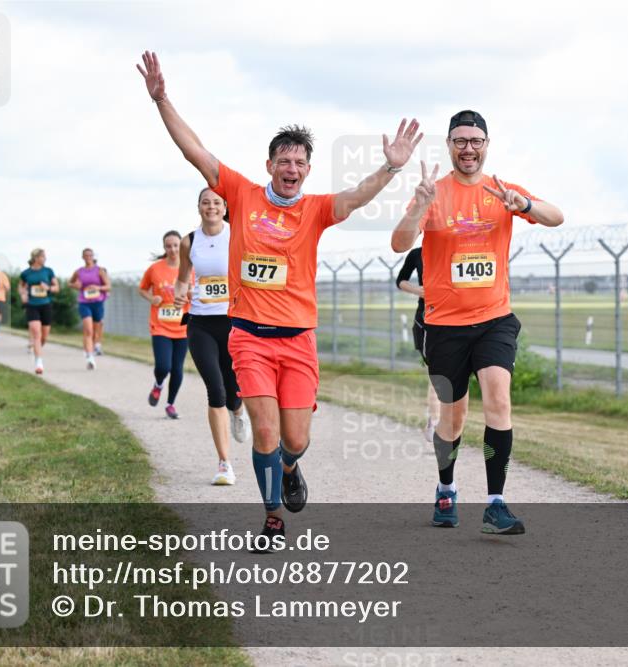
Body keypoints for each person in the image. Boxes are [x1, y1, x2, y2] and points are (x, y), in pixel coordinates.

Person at [138, 50, 422, 548]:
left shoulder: (314, 210)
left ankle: (291, 467)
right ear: (269, 165)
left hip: (298, 341)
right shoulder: (242, 194)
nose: (291, 167)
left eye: (299, 162)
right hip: (247, 337)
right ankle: (272, 518)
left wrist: (390, 169)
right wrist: (162, 99)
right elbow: (195, 151)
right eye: (283, 160)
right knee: (264, 436)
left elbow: (355, 195)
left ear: (308, 170)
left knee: (295, 440)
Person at [391, 110, 564, 534]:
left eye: (476, 140)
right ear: (449, 145)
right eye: (460, 140)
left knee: (499, 399)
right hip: (445, 325)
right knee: (453, 418)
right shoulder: (435, 193)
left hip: (494, 319)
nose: (468, 148)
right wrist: (420, 209)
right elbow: (399, 242)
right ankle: (446, 488)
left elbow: (555, 216)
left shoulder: (501, 190)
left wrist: (523, 205)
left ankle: (495, 503)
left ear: (486, 145)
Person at [174, 187, 250, 486]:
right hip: (200, 323)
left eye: (216, 203)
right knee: (215, 391)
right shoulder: (189, 241)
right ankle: (224, 463)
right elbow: (182, 279)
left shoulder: (237, 234)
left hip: (233, 321)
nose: (211, 207)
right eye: (206, 203)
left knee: (233, 390)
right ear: (199, 207)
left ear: (224, 207)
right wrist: (179, 296)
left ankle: (239, 409)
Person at [139, 231, 191, 419]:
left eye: (176, 245)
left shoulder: (190, 269)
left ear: (182, 246)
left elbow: (196, 294)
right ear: (164, 248)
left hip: (183, 327)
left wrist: (189, 295)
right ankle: (158, 384)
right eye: (169, 246)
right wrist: (152, 298)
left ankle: (170, 404)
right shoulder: (155, 269)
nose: (173, 249)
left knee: (177, 368)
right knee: (163, 366)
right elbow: (142, 289)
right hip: (160, 326)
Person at [395, 246, 440, 443]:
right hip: (426, 319)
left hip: (456, 318)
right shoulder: (417, 254)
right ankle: (435, 422)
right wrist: (418, 290)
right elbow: (401, 280)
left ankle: (445, 420)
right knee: (437, 373)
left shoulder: (454, 247)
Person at [19, 248, 60, 374]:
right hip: (32, 305)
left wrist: (48, 287)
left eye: (45, 256)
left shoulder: (48, 271)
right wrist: (23, 294)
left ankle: (38, 351)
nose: (44, 259)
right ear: (35, 258)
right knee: (36, 333)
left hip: (45, 305)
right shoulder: (26, 273)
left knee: (44, 336)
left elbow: (57, 288)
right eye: (42, 256)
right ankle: (39, 363)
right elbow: (21, 286)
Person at [69, 249, 111, 370]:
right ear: (82, 257)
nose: (88, 257)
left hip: (97, 303)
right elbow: (70, 283)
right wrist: (75, 285)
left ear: (93, 257)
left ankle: (93, 347)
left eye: (90, 255)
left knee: (96, 330)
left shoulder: (100, 271)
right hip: (84, 303)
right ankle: (90, 357)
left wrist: (98, 287)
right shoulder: (79, 271)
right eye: (86, 255)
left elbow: (108, 286)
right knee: (88, 330)